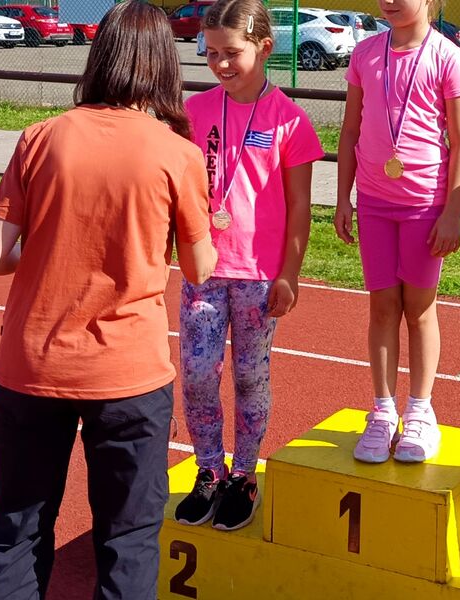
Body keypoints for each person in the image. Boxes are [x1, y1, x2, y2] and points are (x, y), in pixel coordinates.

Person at [0, 2, 217, 599]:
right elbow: (199, 268)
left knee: (18, 525)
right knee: (129, 537)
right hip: (129, 373)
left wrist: (48, 247)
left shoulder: (41, 137)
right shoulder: (177, 152)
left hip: (33, 364)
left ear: (99, 56)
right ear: (163, 65)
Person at [174, 0, 324, 531]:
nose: (220, 63)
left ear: (264, 48)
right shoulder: (194, 111)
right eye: (211, 52)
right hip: (203, 268)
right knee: (197, 374)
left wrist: (290, 273)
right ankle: (208, 470)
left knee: (250, 378)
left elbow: (300, 206)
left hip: (259, 275)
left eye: (231, 52)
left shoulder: (290, 120)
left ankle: (243, 474)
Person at [334, 0, 460, 463]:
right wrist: (343, 197)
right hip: (375, 204)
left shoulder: (447, 56)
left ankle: (419, 411)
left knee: (419, 309)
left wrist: (452, 213)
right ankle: (382, 410)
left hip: (424, 205)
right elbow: (350, 130)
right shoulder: (365, 53)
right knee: (381, 307)